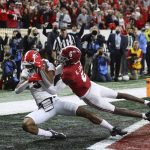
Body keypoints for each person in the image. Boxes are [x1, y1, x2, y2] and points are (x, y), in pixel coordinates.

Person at [15, 50, 127, 139]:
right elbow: (17, 91)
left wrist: (41, 74)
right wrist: (28, 81)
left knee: (85, 112)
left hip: (56, 101)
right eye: (26, 65)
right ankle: (51, 134)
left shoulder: (45, 64)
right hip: (44, 107)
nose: (27, 68)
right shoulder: (26, 72)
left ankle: (112, 128)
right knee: (26, 125)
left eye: (29, 65)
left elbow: (51, 87)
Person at [58, 45, 150, 122]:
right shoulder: (76, 62)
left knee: (115, 109)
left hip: (89, 95)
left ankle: (144, 116)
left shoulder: (68, 72)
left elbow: (55, 88)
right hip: (93, 86)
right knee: (119, 95)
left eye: (64, 57)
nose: (62, 58)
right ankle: (147, 102)